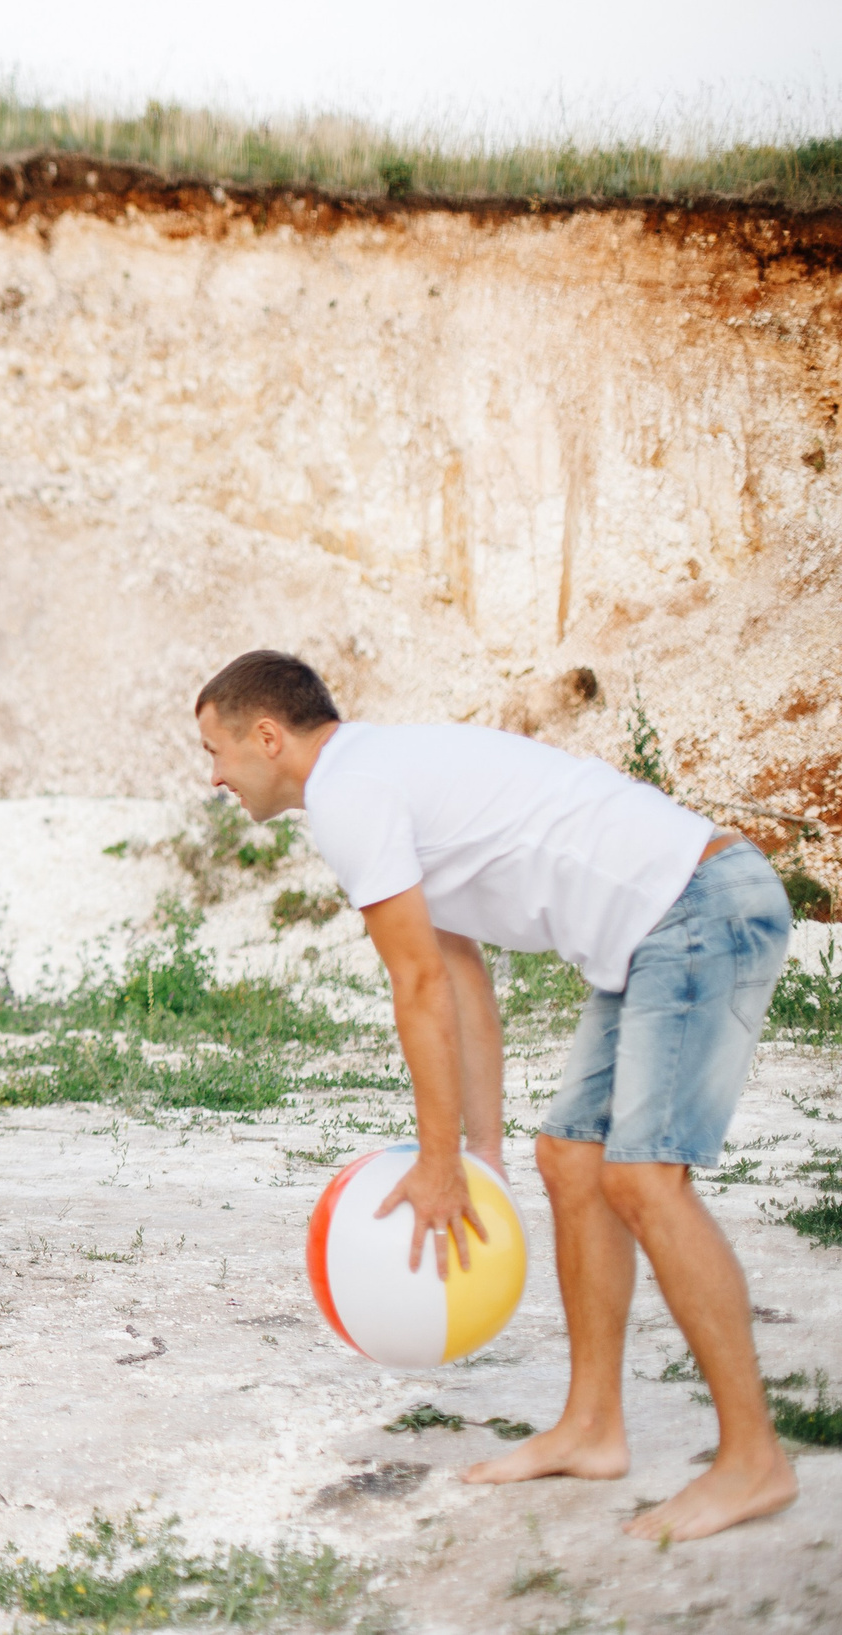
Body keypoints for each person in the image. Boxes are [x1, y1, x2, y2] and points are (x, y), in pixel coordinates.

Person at [194, 649, 795, 1542]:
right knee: (571, 1160)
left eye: (216, 753)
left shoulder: (351, 796)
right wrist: (479, 1154)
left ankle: (754, 1459)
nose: (214, 778)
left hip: (699, 905)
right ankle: (593, 1427)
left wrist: (437, 1167)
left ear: (269, 737)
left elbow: (419, 987)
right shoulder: (374, 776)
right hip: (655, 929)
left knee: (643, 1180)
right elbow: (460, 974)